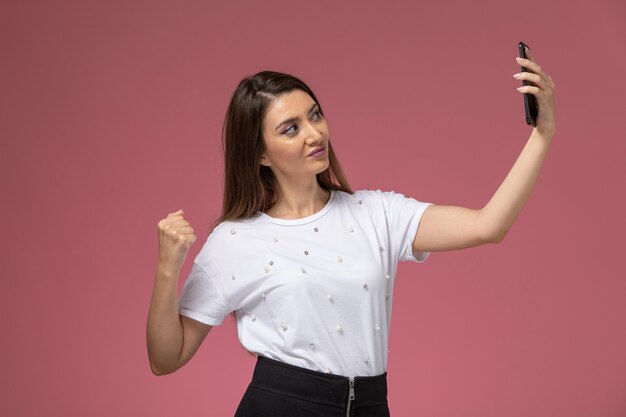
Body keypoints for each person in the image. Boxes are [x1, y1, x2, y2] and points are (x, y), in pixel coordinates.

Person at [147, 47, 556, 417]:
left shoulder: (376, 213)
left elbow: (489, 225)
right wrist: (168, 268)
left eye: (315, 114)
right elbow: (166, 358)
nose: (314, 133)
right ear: (259, 154)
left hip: (370, 405)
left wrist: (543, 134)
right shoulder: (236, 241)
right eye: (290, 128)